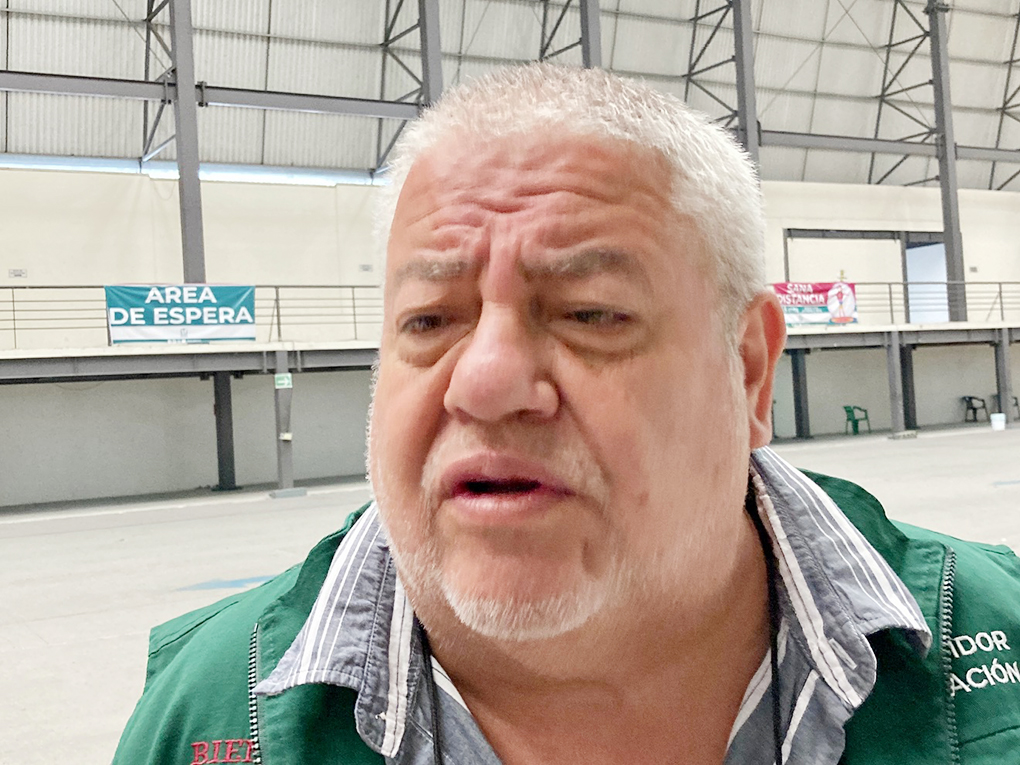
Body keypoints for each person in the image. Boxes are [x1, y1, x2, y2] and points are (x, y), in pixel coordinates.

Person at [114, 64, 1020, 765]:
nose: (485, 383)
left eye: (590, 313)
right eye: (428, 321)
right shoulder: (208, 712)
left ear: (748, 369)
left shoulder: (997, 637)